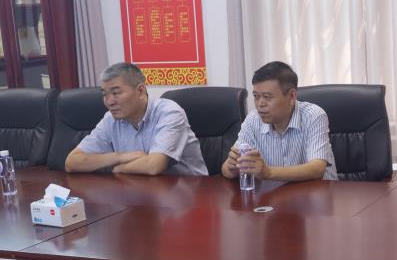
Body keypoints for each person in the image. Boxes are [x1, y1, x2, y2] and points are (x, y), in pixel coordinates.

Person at [65, 63, 208, 176]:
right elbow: (72, 162)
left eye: (116, 93)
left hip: (189, 193)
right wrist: (119, 157)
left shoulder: (169, 112)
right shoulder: (110, 119)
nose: (109, 102)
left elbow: (154, 166)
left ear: (140, 90)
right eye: (104, 94)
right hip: (139, 191)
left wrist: (117, 169)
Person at [222, 61, 337, 182]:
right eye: (256, 96)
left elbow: (317, 169)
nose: (260, 104)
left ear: (292, 96)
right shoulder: (253, 120)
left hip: (318, 191)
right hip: (277, 193)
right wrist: (234, 167)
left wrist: (268, 172)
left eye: (267, 97)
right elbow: (225, 170)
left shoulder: (313, 116)